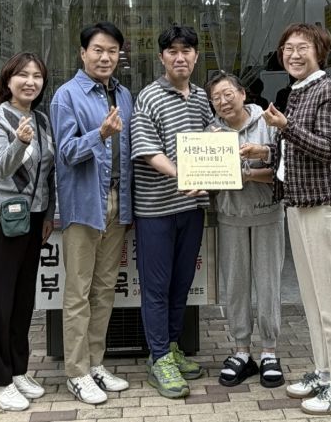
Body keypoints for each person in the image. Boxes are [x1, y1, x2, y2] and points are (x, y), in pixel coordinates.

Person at [241, 23, 331, 415]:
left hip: (326, 206)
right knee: (314, 299)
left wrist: (285, 127)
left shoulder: (328, 90)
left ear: (320, 52)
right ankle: (325, 373)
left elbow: (327, 148)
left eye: (302, 47)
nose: (293, 54)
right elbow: (294, 154)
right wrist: (265, 152)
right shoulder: (298, 91)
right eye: (287, 48)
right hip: (299, 203)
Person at [50, 22, 133, 405]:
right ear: (83, 53)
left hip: (118, 201)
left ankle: (96, 363)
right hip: (84, 205)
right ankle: (77, 372)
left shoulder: (125, 95)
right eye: (98, 50)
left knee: (104, 289)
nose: (105, 57)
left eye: (112, 51)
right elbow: (66, 153)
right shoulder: (66, 96)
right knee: (78, 293)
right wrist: (99, 134)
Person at [131, 25, 212, 399]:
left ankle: (173, 347)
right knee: (157, 287)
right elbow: (148, 151)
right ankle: (159, 357)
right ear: (161, 57)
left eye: (187, 50)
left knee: (181, 284)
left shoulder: (202, 98)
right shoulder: (148, 97)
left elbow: (213, 143)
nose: (180, 57)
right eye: (173, 51)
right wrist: (184, 174)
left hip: (192, 208)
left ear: (196, 56)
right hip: (157, 209)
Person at [0, 52, 55, 412]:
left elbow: (48, 173)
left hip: (35, 219)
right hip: (5, 218)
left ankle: (17, 370)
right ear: (8, 80)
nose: (30, 82)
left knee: (24, 298)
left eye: (37, 76)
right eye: (23, 75)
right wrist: (20, 142)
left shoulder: (41, 119)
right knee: (1, 299)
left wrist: (48, 215)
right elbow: (0, 168)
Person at [206, 72, 285, 389]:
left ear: (242, 94)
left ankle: (269, 351)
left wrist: (249, 175)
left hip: (267, 213)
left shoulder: (268, 122)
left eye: (228, 94)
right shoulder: (211, 132)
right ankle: (241, 350)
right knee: (235, 285)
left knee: (268, 283)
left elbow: (285, 171)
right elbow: (209, 178)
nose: (223, 101)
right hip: (230, 215)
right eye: (216, 98)